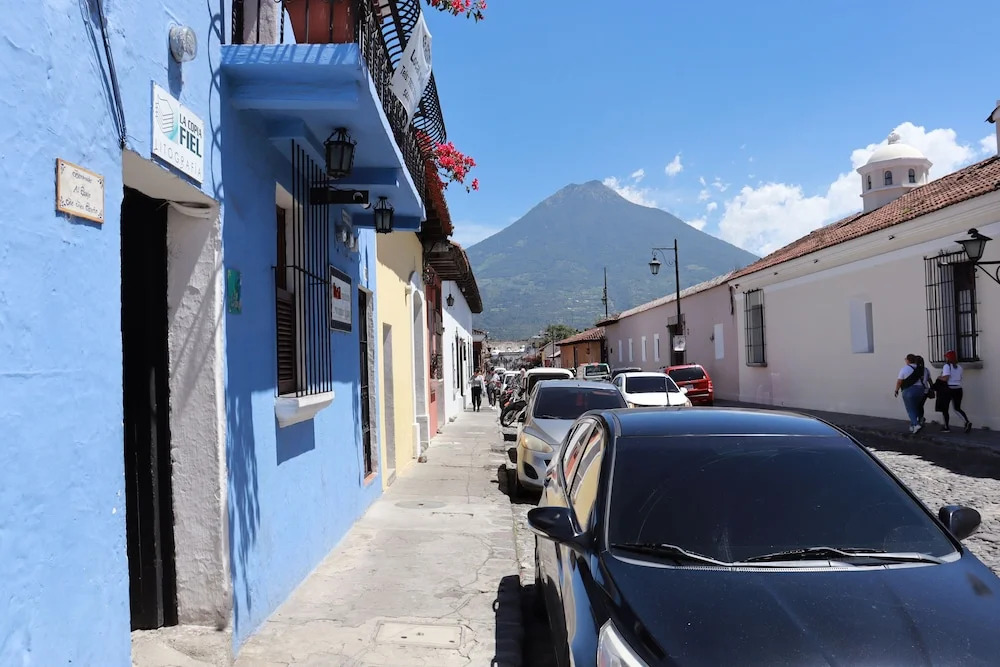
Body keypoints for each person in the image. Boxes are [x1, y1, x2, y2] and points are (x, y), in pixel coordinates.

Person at [937, 350, 972, 433]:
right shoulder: (959, 367)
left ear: (948, 358)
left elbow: (946, 378)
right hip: (958, 388)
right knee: (957, 408)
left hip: (948, 389)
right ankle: (966, 422)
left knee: (945, 409)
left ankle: (946, 427)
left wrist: (939, 377)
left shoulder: (947, 366)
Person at [894, 354, 926, 434]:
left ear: (908, 360)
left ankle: (916, 424)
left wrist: (896, 390)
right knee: (916, 407)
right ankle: (912, 426)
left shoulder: (905, 369)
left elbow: (899, 381)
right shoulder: (921, 369)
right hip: (921, 390)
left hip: (909, 391)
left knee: (910, 409)